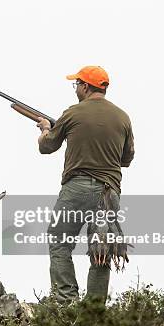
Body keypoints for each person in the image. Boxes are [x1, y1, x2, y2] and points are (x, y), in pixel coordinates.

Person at [36, 66, 135, 304]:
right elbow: (127, 159)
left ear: (85, 86)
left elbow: (46, 146)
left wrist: (45, 129)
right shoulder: (123, 117)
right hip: (109, 192)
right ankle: (93, 310)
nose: (76, 89)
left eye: (76, 84)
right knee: (101, 249)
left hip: (76, 188)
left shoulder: (73, 113)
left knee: (59, 240)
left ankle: (66, 301)